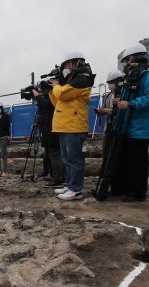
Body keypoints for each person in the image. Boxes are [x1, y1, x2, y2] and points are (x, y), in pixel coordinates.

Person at [112, 43, 149, 202]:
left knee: (137, 161)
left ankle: (137, 192)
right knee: (128, 160)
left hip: (140, 127)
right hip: (129, 126)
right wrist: (120, 101)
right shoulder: (135, 76)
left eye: (128, 60)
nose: (127, 64)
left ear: (137, 58)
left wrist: (131, 104)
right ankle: (126, 188)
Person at [48, 51, 95, 200]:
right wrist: (51, 90)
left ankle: (75, 189)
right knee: (67, 159)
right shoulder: (72, 80)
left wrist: (56, 86)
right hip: (65, 125)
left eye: (66, 64)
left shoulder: (83, 79)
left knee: (74, 159)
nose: (65, 68)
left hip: (74, 126)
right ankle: (69, 185)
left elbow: (62, 94)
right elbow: (58, 102)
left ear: (75, 63)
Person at [32, 87, 64, 188]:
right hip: (48, 132)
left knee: (55, 155)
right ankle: (52, 175)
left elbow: (45, 104)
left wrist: (37, 96)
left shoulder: (53, 99)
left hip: (52, 131)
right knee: (51, 155)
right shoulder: (46, 103)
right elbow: (43, 108)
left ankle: (58, 178)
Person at [94, 70, 124, 163]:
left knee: (118, 154)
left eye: (111, 83)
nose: (109, 85)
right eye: (108, 83)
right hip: (109, 128)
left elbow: (123, 111)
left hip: (120, 129)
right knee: (106, 152)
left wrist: (108, 111)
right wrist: (101, 111)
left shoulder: (124, 94)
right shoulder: (109, 95)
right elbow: (106, 109)